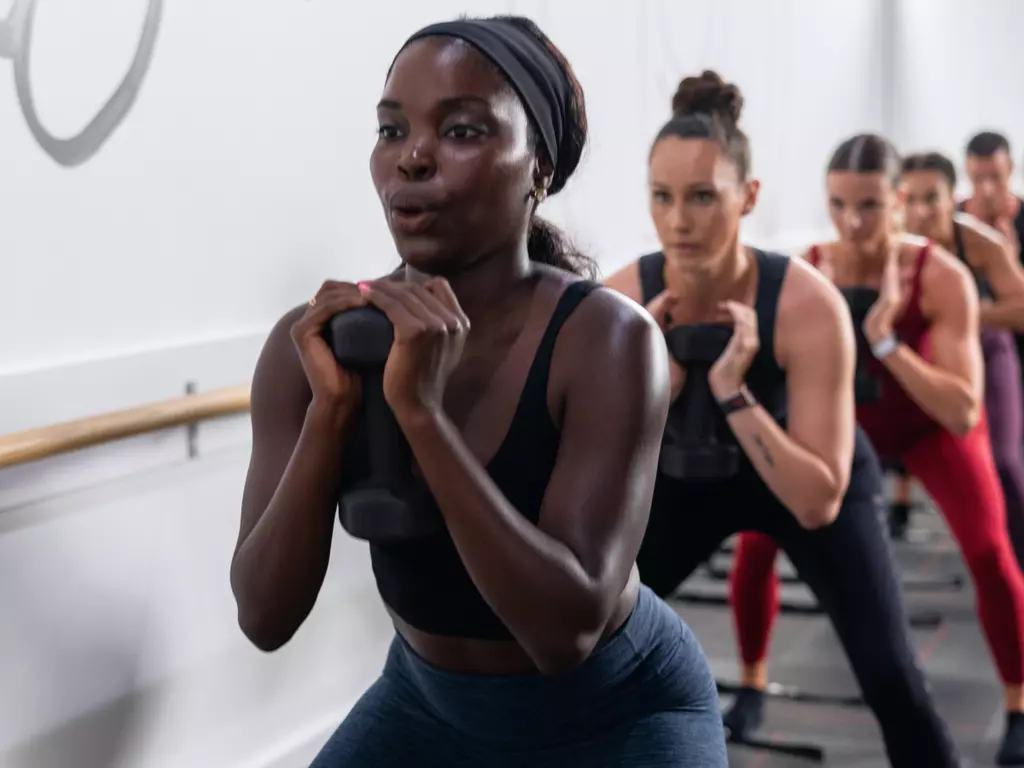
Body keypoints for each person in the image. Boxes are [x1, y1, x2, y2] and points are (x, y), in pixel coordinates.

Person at [229, 15, 727, 768]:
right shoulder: (314, 343)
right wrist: (332, 414)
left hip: (617, 713)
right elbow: (263, 618)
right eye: (391, 130)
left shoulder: (607, 340)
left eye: (461, 131)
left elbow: (565, 633)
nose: (413, 157)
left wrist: (421, 415)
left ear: (539, 169)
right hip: (428, 706)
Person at [604, 72, 959, 767]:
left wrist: (732, 392)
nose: (679, 222)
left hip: (807, 479)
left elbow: (817, 500)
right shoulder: (622, 302)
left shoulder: (806, 306)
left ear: (748, 196)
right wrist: (655, 392)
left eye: (703, 196)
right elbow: (591, 481)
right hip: (684, 487)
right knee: (574, 638)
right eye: (662, 197)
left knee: (893, 680)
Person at [729, 134, 1024, 765]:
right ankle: (751, 682)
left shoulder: (939, 275)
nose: (853, 222)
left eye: (868, 205)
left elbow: (961, 410)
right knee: (755, 544)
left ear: (897, 202)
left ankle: (1019, 701)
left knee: (991, 553)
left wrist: (884, 339)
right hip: (844, 430)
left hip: (927, 427)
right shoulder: (809, 271)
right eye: (838, 205)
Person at [901, 150, 1024, 571]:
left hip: (986, 350)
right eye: (911, 199)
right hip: (923, 358)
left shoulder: (979, 243)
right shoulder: (891, 244)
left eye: (932, 198)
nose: (921, 211)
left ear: (952, 198)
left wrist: (961, 309)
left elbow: (1021, 309)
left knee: (1004, 462)